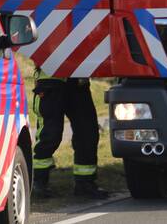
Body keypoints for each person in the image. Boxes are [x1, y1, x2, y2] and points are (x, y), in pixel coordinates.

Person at [32, 71, 109, 199]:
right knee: (50, 135)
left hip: (78, 83)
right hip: (50, 81)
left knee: (87, 133)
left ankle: (85, 184)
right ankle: (38, 182)